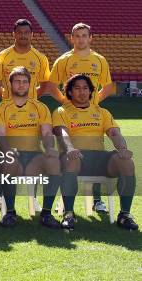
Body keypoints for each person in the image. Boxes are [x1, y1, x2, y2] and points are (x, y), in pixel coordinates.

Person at [53, 74, 137, 231]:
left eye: (85, 88)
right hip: (75, 157)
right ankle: (69, 213)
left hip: (99, 160)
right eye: (77, 88)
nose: (82, 92)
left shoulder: (102, 112)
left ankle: (125, 215)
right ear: (69, 92)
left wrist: (123, 149)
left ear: (91, 91)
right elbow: (62, 132)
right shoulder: (61, 111)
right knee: (73, 159)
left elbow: (114, 134)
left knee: (127, 162)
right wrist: (70, 148)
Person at [46, 23, 114, 212]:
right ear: (71, 38)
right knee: (69, 154)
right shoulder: (64, 60)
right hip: (70, 115)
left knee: (96, 150)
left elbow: (108, 87)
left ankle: (97, 199)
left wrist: (94, 101)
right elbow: (52, 85)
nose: (81, 39)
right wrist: (65, 100)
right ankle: (65, 201)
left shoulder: (99, 60)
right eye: (77, 36)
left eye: (85, 35)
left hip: (92, 114)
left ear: (90, 38)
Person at [0, 67, 62, 228]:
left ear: (30, 85)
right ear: (10, 85)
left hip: (34, 157)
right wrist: (7, 151)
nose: (21, 85)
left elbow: (46, 133)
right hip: (11, 155)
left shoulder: (40, 107)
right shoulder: (0, 108)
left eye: (25, 82)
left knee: (54, 162)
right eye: (17, 82)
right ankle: (10, 213)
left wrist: (50, 148)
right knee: (8, 161)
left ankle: (46, 213)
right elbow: (0, 136)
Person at [0, 19, 50, 100]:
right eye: (19, 32)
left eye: (26, 32)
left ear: (32, 35)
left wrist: (29, 98)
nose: (23, 35)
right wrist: (6, 95)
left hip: (31, 107)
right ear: (14, 34)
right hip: (8, 107)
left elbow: (44, 85)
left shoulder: (41, 58)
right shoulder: (1, 57)